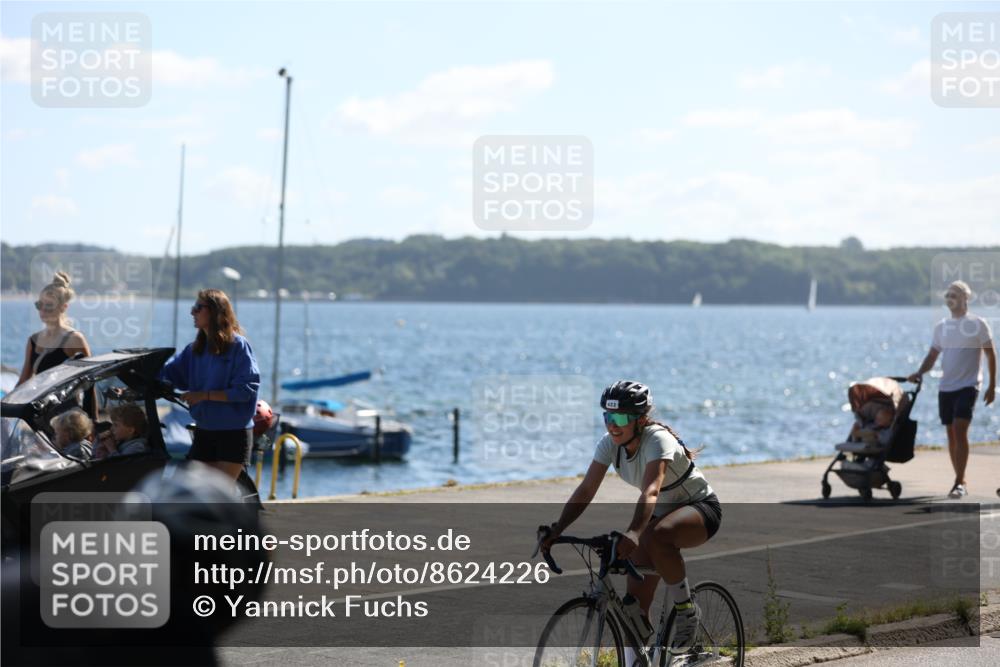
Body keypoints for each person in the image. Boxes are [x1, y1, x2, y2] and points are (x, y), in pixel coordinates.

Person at [540, 380, 721, 658]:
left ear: (641, 420)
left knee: (655, 535)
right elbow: (586, 489)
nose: (613, 425)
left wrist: (634, 533)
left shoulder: (657, 439)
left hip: (700, 509)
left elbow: (651, 490)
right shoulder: (609, 445)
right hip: (658, 517)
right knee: (632, 610)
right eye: (607, 417)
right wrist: (558, 528)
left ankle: (687, 612)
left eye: (621, 418)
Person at [159, 289, 260, 481]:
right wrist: (133, 378)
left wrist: (203, 396)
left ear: (215, 311)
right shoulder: (194, 350)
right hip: (204, 431)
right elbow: (169, 374)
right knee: (196, 493)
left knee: (219, 497)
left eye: (198, 308)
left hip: (234, 433)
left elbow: (245, 390)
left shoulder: (238, 346)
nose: (192, 312)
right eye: (193, 308)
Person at [909, 280, 996, 498]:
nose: (950, 298)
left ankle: (959, 482)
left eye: (955, 295)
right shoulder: (942, 328)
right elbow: (932, 356)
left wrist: (992, 385)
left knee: (959, 429)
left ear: (966, 298)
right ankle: (960, 478)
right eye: (948, 295)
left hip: (968, 385)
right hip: (946, 387)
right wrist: (919, 372)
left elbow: (990, 354)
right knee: (951, 434)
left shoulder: (978, 324)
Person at [17, 272, 95, 416]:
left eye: (49, 306)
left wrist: (93, 420)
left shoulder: (74, 339)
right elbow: (23, 381)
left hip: (68, 416)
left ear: (63, 307)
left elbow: (90, 382)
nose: (42, 310)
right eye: (39, 305)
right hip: (42, 414)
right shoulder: (33, 340)